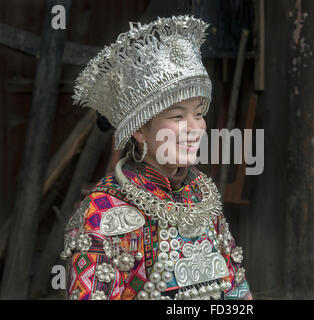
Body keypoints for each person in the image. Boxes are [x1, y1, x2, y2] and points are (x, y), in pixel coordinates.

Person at [60, 15, 252, 300]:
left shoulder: (201, 196)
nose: (196, 129)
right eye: (177, 116)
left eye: (199, 114)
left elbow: (237, 291)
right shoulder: (103, 211)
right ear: (139, 130)